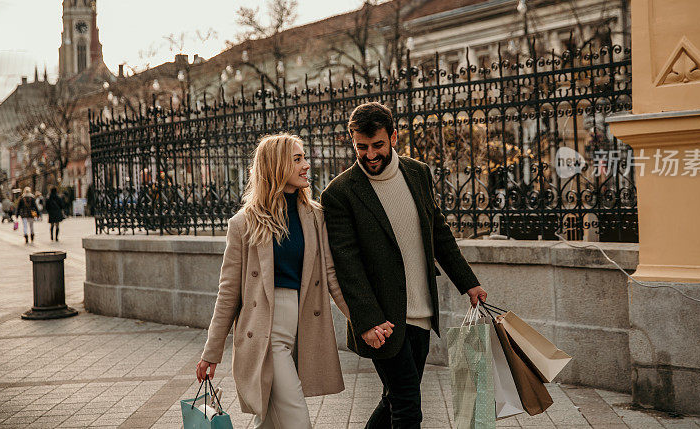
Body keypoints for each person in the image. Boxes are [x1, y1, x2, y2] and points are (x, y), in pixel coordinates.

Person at [321, 102, 488, 429]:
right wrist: (367, 321)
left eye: (378, 145)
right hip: (382, 322)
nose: (370, 155)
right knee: (408, 405)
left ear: (394, 137)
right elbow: (347, 265)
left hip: (422, 313)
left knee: (395, 399)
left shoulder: (418, 173)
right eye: (362, 147)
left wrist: (468, 282)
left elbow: (439, 232)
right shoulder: (340, 193)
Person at [196, 133, 350, 428]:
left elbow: (331, 276)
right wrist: (211, 352)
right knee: (296, 419)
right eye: (297, 159)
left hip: (302, 328)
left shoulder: (316, 216)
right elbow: (228, 293)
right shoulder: (244, 223)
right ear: (276, 165)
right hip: (266, 335)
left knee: (267, 420)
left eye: (305, 157)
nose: (307, 165)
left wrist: (363, 321)